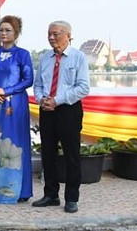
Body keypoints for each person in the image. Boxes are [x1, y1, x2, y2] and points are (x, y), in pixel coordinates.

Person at [32, 20, 90, 213]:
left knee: (71, 155)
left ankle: (72, 198)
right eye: (49, 34)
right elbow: (38, 84)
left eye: (56, 33)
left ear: (68, 35)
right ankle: (51, 194)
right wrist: (42, 100)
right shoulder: (45, 58)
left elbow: (83, 87)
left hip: (68, 110)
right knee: (48, 153)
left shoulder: (78, 57)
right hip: (47, 110)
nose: (51, 37)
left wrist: (57, 100)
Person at [0, 15, 34, 204]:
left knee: (15, 143)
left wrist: (6, 90)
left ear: (16, 33)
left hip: (14, 105)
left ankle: (17, 190)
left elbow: (28, 80)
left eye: (7, 30)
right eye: (1, 30)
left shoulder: (23, 54)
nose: (3, 33)